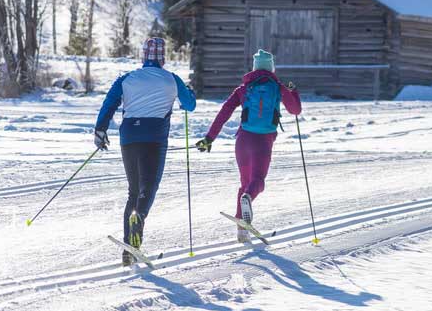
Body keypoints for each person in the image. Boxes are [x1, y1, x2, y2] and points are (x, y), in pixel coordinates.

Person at [94, 37, 196, 265]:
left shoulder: (127, 78)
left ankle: (128, 249)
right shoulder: (172, 79)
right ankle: (136, 225)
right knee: (148, 188)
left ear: (143, 56)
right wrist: (189, 91)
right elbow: (189, 105)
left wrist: (100, 130)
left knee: (133, 190)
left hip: (129, 135)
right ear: (163, 57)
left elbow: (109, 104)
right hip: (154, 137)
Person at [195, 49, 301, 242]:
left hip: (243, 141)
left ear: (254, 67)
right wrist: (294, 91)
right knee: (257, 182)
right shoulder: (278, 87)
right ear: (271, 67)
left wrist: (209, 138)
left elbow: (224, 112)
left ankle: (242, 230)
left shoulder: (244, 88)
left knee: (245, 184)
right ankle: (248, 199)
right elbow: (295, 110)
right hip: (263, 141)